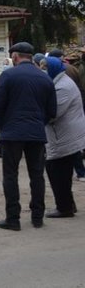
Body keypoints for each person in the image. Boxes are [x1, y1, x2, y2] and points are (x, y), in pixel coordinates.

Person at [0, 42, 56, 231]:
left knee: (10, 175)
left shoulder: (9, 75)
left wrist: (3, 124)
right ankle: (37, 217)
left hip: (12, 133)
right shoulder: (45, 79)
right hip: (36, 132)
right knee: (37, 175)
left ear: (16, 56)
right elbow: (52, 110)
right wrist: (37, 122)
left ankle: (13, 218)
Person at [42, 56, 85, 218]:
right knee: (61, 171)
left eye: (45, 68)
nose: (43, 71)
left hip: (65, 136)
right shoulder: (59, 82)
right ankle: (68, 204)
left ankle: (64, 207)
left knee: (57, 171)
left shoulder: (62, 87)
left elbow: (53, 114)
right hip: (65, 135)